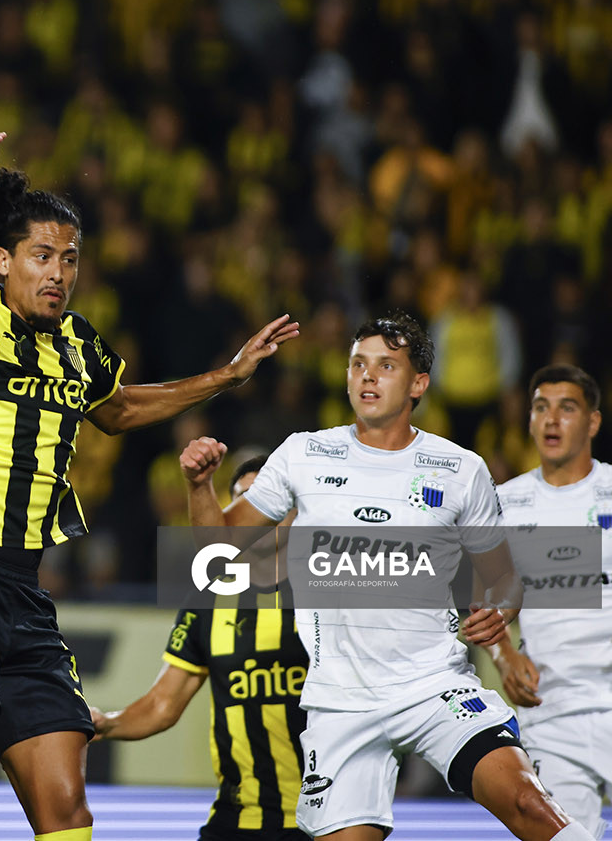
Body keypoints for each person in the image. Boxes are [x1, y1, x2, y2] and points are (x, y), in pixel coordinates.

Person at [0, 133, 298, 841]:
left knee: (68, 812)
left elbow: (121, 408)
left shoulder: (78, 344)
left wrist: (224, 376)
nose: (58, 273)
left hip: (24, 594)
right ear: (3, 259)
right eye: (42, 256)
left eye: (70, 259)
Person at [180, 311, 595, 841]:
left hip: (434, 686)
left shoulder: (459, 468)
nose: (367, 376)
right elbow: (218, 553)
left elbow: (502, 577)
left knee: (529, 804)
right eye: (358, 364)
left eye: (385, 366)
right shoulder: (304, 454)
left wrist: (502, 611)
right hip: (340, 701)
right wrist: (199, 486)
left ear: (419, 383)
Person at [91, 456, 307, 841]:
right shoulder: (210, 599)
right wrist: (107, 723)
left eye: (270, 503)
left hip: (329, 820)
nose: (258, 517)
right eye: (244, 502)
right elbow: (162, 705)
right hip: (237, 818)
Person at [486, 365, 611, 840]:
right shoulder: (504, 504)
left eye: (567, 407)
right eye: (541, 408)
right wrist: (504, 655)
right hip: (553, 713)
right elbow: (483, 603)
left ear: (593, 422)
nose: (552, 419)